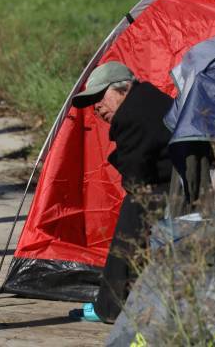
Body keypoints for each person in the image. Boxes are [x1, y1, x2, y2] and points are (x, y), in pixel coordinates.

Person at [70, 61, 174, 323]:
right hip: (172, 182)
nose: (96, 107)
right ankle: (115, 302)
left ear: (123, 89)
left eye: (99, 97)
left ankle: (111, 308)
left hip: (176, 187)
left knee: (131, 218)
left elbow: (136, 179)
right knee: (135, 205)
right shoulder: (145, 99)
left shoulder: (132, 115)